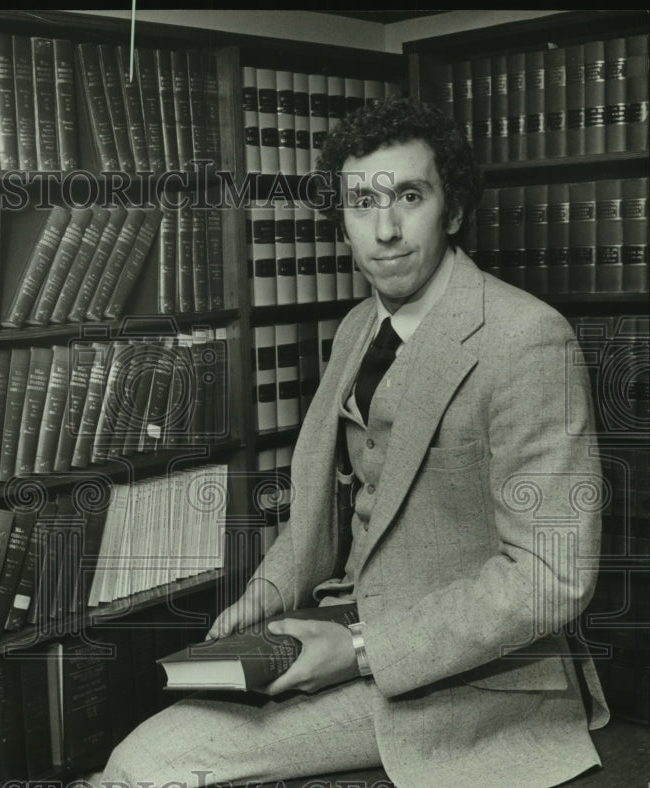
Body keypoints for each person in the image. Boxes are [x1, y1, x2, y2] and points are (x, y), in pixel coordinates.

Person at [98, 97, 609, 788]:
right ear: (340, 218)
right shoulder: (356, 327)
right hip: (346, 619)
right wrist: (270, 591)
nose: (386, 229)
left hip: (476, 681)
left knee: (145, 764)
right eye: (362, 202)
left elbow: (552, 579)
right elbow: (334, 506)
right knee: (152, 717)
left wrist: (362, 647)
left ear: (452, 210)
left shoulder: (527, 338)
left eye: (409, 196)